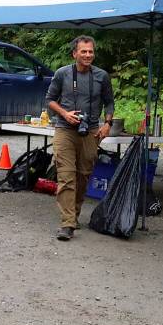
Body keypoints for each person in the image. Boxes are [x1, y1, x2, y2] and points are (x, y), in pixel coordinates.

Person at [45, 36, 115, 241]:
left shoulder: (102, 76)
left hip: (91, 131)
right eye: (83, 51)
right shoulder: (62, 74)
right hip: (65, 130)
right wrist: (65, 113)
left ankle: (73, 215)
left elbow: (109, 103)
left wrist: (107, 123)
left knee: (83, 175)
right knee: (66, 176)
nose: (87, 55)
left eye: (90, 52)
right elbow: (49, 100)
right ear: (74, 53)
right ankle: (67, 224)